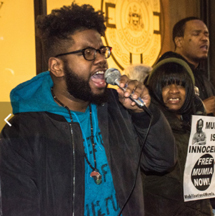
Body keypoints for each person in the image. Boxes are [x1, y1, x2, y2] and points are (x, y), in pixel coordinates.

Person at [0, 4, 176, 216]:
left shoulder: (118, 108)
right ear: (57, 66)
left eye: (102, 51)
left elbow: (163, 162)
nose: (101, 59)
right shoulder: (22, 132)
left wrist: (141, 113)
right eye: (88, 53)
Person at [143, 57, 215, 216]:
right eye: (165, 84)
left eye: (181, 84)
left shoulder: (199, 126)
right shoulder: (149, 128)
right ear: (155, 89)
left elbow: (204, 185)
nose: (174, 90)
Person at [157, 17, 215, 117]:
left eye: (206, 35)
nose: (204, 38)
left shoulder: (201, 76)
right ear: (179, 41)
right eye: (196, 34)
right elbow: (160, 113)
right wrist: (200, 108)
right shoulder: (166, 70)